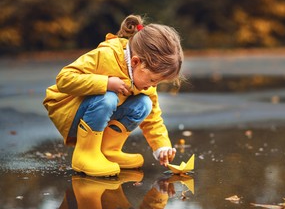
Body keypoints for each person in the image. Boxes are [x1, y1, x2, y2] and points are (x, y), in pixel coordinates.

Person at [43, 14, 184, 177]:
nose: (153, 85)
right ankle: (85, 154)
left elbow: (153, 118)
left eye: (158, 82)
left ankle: (108, 151)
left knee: (145, 104)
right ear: (136, 62)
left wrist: (161, 147)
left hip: (96, 112)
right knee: (109, 97)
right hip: (69, 110)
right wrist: (106, 83)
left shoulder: (143, 79)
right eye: (153, 79)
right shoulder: (106, 55)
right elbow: (63, 80)